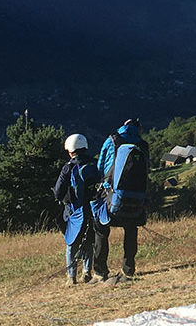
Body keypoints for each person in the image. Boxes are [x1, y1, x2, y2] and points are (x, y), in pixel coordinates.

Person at [89, 118, 146, 281]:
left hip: (111, 196)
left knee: (101, 229)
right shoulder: (143, 145)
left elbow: (100, 167)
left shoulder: (112, 140)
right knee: (131, 229)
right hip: (136, 197)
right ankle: (128, 268)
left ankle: (100, 271)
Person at [53, 134, 98, 285]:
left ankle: (71, 277)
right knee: (89, 240)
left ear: (70, 150)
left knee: (71, 242)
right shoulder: (95, 164)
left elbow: (58, 192)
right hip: (93, 209)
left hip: (74, 210)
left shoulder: (69, 167)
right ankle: (87, 272)